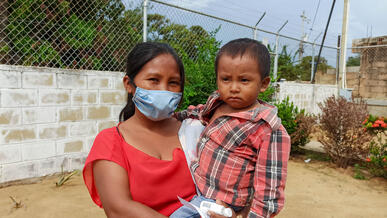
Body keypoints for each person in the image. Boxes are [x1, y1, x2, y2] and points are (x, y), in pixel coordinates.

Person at [171, 38, 291, 218]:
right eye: (226, 79)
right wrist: (173, 117)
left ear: (264, 83)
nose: (233, 88)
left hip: (222, 204)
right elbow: (198, 112)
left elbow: (269, 189)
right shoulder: (217, 104)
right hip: (199, 188)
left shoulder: (267, 128)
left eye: (244, 80)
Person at [83, 42, 198, 217]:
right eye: (154, 80)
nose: (164, 90)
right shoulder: (111, 142)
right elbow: (118, 208)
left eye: (173, 82)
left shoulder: (193, 131)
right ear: (129, 84)